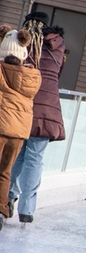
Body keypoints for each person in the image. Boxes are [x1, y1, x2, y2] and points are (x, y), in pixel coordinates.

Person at [8, 12, 65, 224]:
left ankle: (7, 199)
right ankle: (27, 209)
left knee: (16, 156)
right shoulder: (58, 49)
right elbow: (57, 76)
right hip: (49, 111)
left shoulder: (23, 46)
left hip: (24, 107)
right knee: (35, 158)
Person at [0, 24, 41, 231]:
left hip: (1, 126)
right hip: (18, 133)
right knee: (5, 172)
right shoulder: (33, 77)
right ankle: (0, 211)